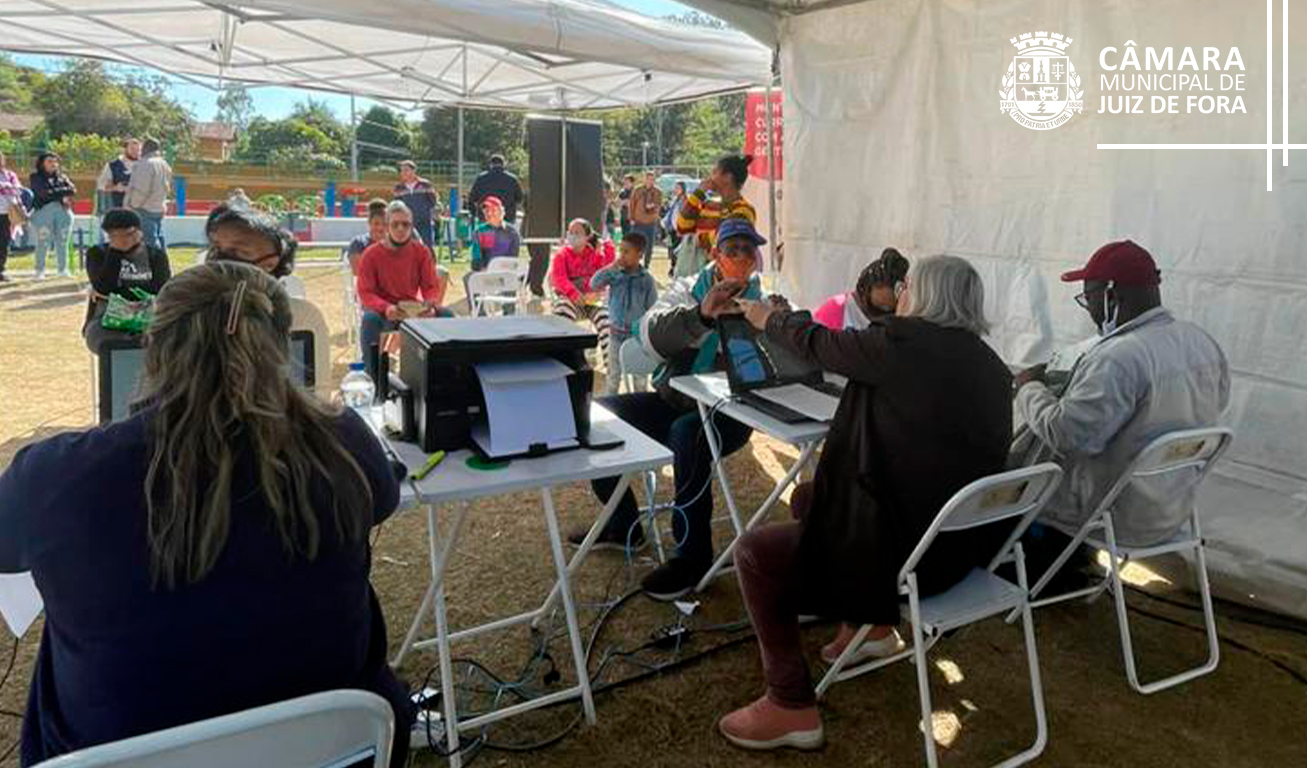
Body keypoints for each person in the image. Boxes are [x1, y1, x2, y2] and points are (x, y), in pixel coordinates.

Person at [0, 261, 415, 766]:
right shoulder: (343, 439)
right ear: (281, 347)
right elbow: (384, 499)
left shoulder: (56, 475)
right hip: (333, 749)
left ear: (153, 348)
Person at [715, 255, 1013, 750]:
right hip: (960, 550)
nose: (900, 295)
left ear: (924, 294)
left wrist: (768, 317)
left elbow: (822, 344)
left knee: (755, 554)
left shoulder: (901, 343)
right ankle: (873, 626)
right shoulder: (991, 366)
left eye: (907, 286)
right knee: (812, 496)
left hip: (909, 560)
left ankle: (790, 704)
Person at [572, 217, 769, 600]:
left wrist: (770, 322)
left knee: (686, 433)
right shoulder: (686, 288)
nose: (742, 259)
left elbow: (778, 359)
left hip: (731, 413)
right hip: (674, 399)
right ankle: (623, 523)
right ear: (715, 255)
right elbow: (649, 332)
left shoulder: (764, 300)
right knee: (595, 415)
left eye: (749, 251)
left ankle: (692, 559)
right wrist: (701, 316)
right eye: (733, 250)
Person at [1014, 240, 1230, 551]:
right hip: (1171, 512)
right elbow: (1217, 405)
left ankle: (1034, 572)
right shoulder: (1201, 342)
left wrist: (1028, 387)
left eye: (1088, 298)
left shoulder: (1119, 358)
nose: (1088, 309)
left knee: (1008, 483)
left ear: (1111, 295)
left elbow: (1068, 435)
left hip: (1111, 518)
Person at [357, 201, 451, 379]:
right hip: (383, 313)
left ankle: (443, 374)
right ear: (387, 227)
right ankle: (373, 377)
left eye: (405, 224)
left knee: (446, 316)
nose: (401, 229)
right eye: (395, 224)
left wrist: (430, 305)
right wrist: (386, 308)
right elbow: (365, 292)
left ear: (411, 226)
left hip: (412, 311)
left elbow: (431, 287)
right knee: (369, 320)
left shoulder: (421, 252)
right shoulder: (371, 254)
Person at [83, 208, 171, 353]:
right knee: (110, 344)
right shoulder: (97, 254)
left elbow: (161, 290)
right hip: (106, 318)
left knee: (161, 342)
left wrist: (117, 295)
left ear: (139, 232)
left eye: (127, 234)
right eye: (114, 235)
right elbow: (104, 287)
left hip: (148, 316)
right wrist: (115, 252)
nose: (122, 239)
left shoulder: (155, 255)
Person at [590, 231, 659, 394]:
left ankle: (639, 410)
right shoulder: (614, 274)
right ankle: (611, 408)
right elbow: (594, 284)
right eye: (620, 251)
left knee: (640, 379)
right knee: (613, 377)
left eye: (627, 252)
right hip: (615, 334)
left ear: (640, 254)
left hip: (637, 338)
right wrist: (611, 268)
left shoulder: (646, 280)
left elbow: (653, 308)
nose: (622, 255)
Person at [674, 154, 757, 277]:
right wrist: (698, 194)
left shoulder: (744, 210)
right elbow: (682, 226)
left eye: (715, 172)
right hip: (701, 277)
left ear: (727, 177)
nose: (710, 177)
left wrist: (698, 238)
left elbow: (725, 238)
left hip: (726, 276)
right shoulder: (708, 204)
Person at [550, 218, 615, 365]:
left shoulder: (594, 254)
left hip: (592, 302)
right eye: (570, 232)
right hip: (571, 302)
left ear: (587, 237)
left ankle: (611, 365)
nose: (572, 235)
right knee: (562, 313)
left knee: (606, 321)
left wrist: (603, 248)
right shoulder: (562, 255)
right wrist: (574, 294)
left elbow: (606, 272)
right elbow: (559, 279)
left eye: (577, 233)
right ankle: (565, 360)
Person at [812, 248, 910, 330]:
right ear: (863, 292)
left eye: (889, 310)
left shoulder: (904, 317)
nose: (877, 316)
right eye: (875, 308)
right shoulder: (836, 310)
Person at [466, 196, 524, 316]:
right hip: (486, 273)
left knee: (511, 276)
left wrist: (500, 269)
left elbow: (513, 258)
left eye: (492, 210)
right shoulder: (479, 231)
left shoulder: (512, 233)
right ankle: (480, 315)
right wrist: (482, 268)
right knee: (469, 277)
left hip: (506, 273)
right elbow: (476, 258)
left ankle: (509, 314)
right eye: (486, 210)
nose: (488, 213)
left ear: (501, 211)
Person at [28, 152, 76, 280]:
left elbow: (72, 190)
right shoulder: (35, 177)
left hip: (63, 211)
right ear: (42, 163)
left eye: (55, 161)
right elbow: (44, 193)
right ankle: (39, 270)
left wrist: (55, 191)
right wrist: (62, 191)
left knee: (63, 241)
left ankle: (63, 270)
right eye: (49, 161)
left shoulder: (62, 177)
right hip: (43, 212)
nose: (53, 164)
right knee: (43, 241)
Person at [124, 137, 172, 252]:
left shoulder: (146, 163)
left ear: (146, 148)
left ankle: (157, 266)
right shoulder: (164, 164)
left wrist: (133, 205)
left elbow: (142, 189)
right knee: (159, 237)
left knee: (150, 241)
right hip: (158, 207)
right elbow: (167, 187)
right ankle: (164, 265)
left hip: (145, 209)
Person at [393, 160, 440, 249]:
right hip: (407, 222)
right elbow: (397, 205)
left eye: (406, 170)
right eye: (401, 171)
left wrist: (428, 212)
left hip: (424, 222)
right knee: (407, 247)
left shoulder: (425, 184)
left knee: (427, 247)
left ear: (413, 171)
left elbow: (433, 200)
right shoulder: (398, 188)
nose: (403, 173)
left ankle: (430, 263)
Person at [466, 153, 524, 225]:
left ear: (491, 165)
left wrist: (473, 214)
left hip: (486, 219)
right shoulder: (512, 179)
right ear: (504, 164)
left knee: (488, 236)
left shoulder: (481, 179)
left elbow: (472, 199)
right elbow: (520, 198)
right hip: (507, 219)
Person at [628, 170, 663, 268]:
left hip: (650, 223)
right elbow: (632, 204)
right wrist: (631, 218)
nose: (650, 181)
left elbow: (659, 205)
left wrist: (653, 206)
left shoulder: (657, 192)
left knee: (649, 246)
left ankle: (646, 265)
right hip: (638, 222)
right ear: (644, 179)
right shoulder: (637, 190)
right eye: (648, 179)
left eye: (652, 179)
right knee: (635, 244)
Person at [346, 199, 390, 274]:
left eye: (384, 224)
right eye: (376, 224)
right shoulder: (358, 243)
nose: (380, 228)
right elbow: (357, 271)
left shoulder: (394, 243)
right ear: (369, 223)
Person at [96, 138, 139, 211]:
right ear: (125, 149)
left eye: (138, 150)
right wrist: (116, 187)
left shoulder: (143, 165)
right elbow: (101, 186)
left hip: (138, 209)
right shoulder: (112, 165)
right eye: (132, 149)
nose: (135, 152)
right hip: (117, 209)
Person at [0, 150, 23, 282]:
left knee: (4, 242)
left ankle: (1, 270)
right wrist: (7, 188)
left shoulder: (10, 174)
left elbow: (18, 189)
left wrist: (5, 187)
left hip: (7, 213)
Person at [662, 181, 688, 275]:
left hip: (680, 230)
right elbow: (671, 213)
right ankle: (673, 267)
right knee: (672, 249)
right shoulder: (675, 200)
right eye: (675, 188)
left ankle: (675, 268)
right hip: (672, 229)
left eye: (678, 188)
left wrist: (681, 228)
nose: (676, 190)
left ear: (683, 189)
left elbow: (685, 215)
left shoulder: (685, 200)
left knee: (677, 250)